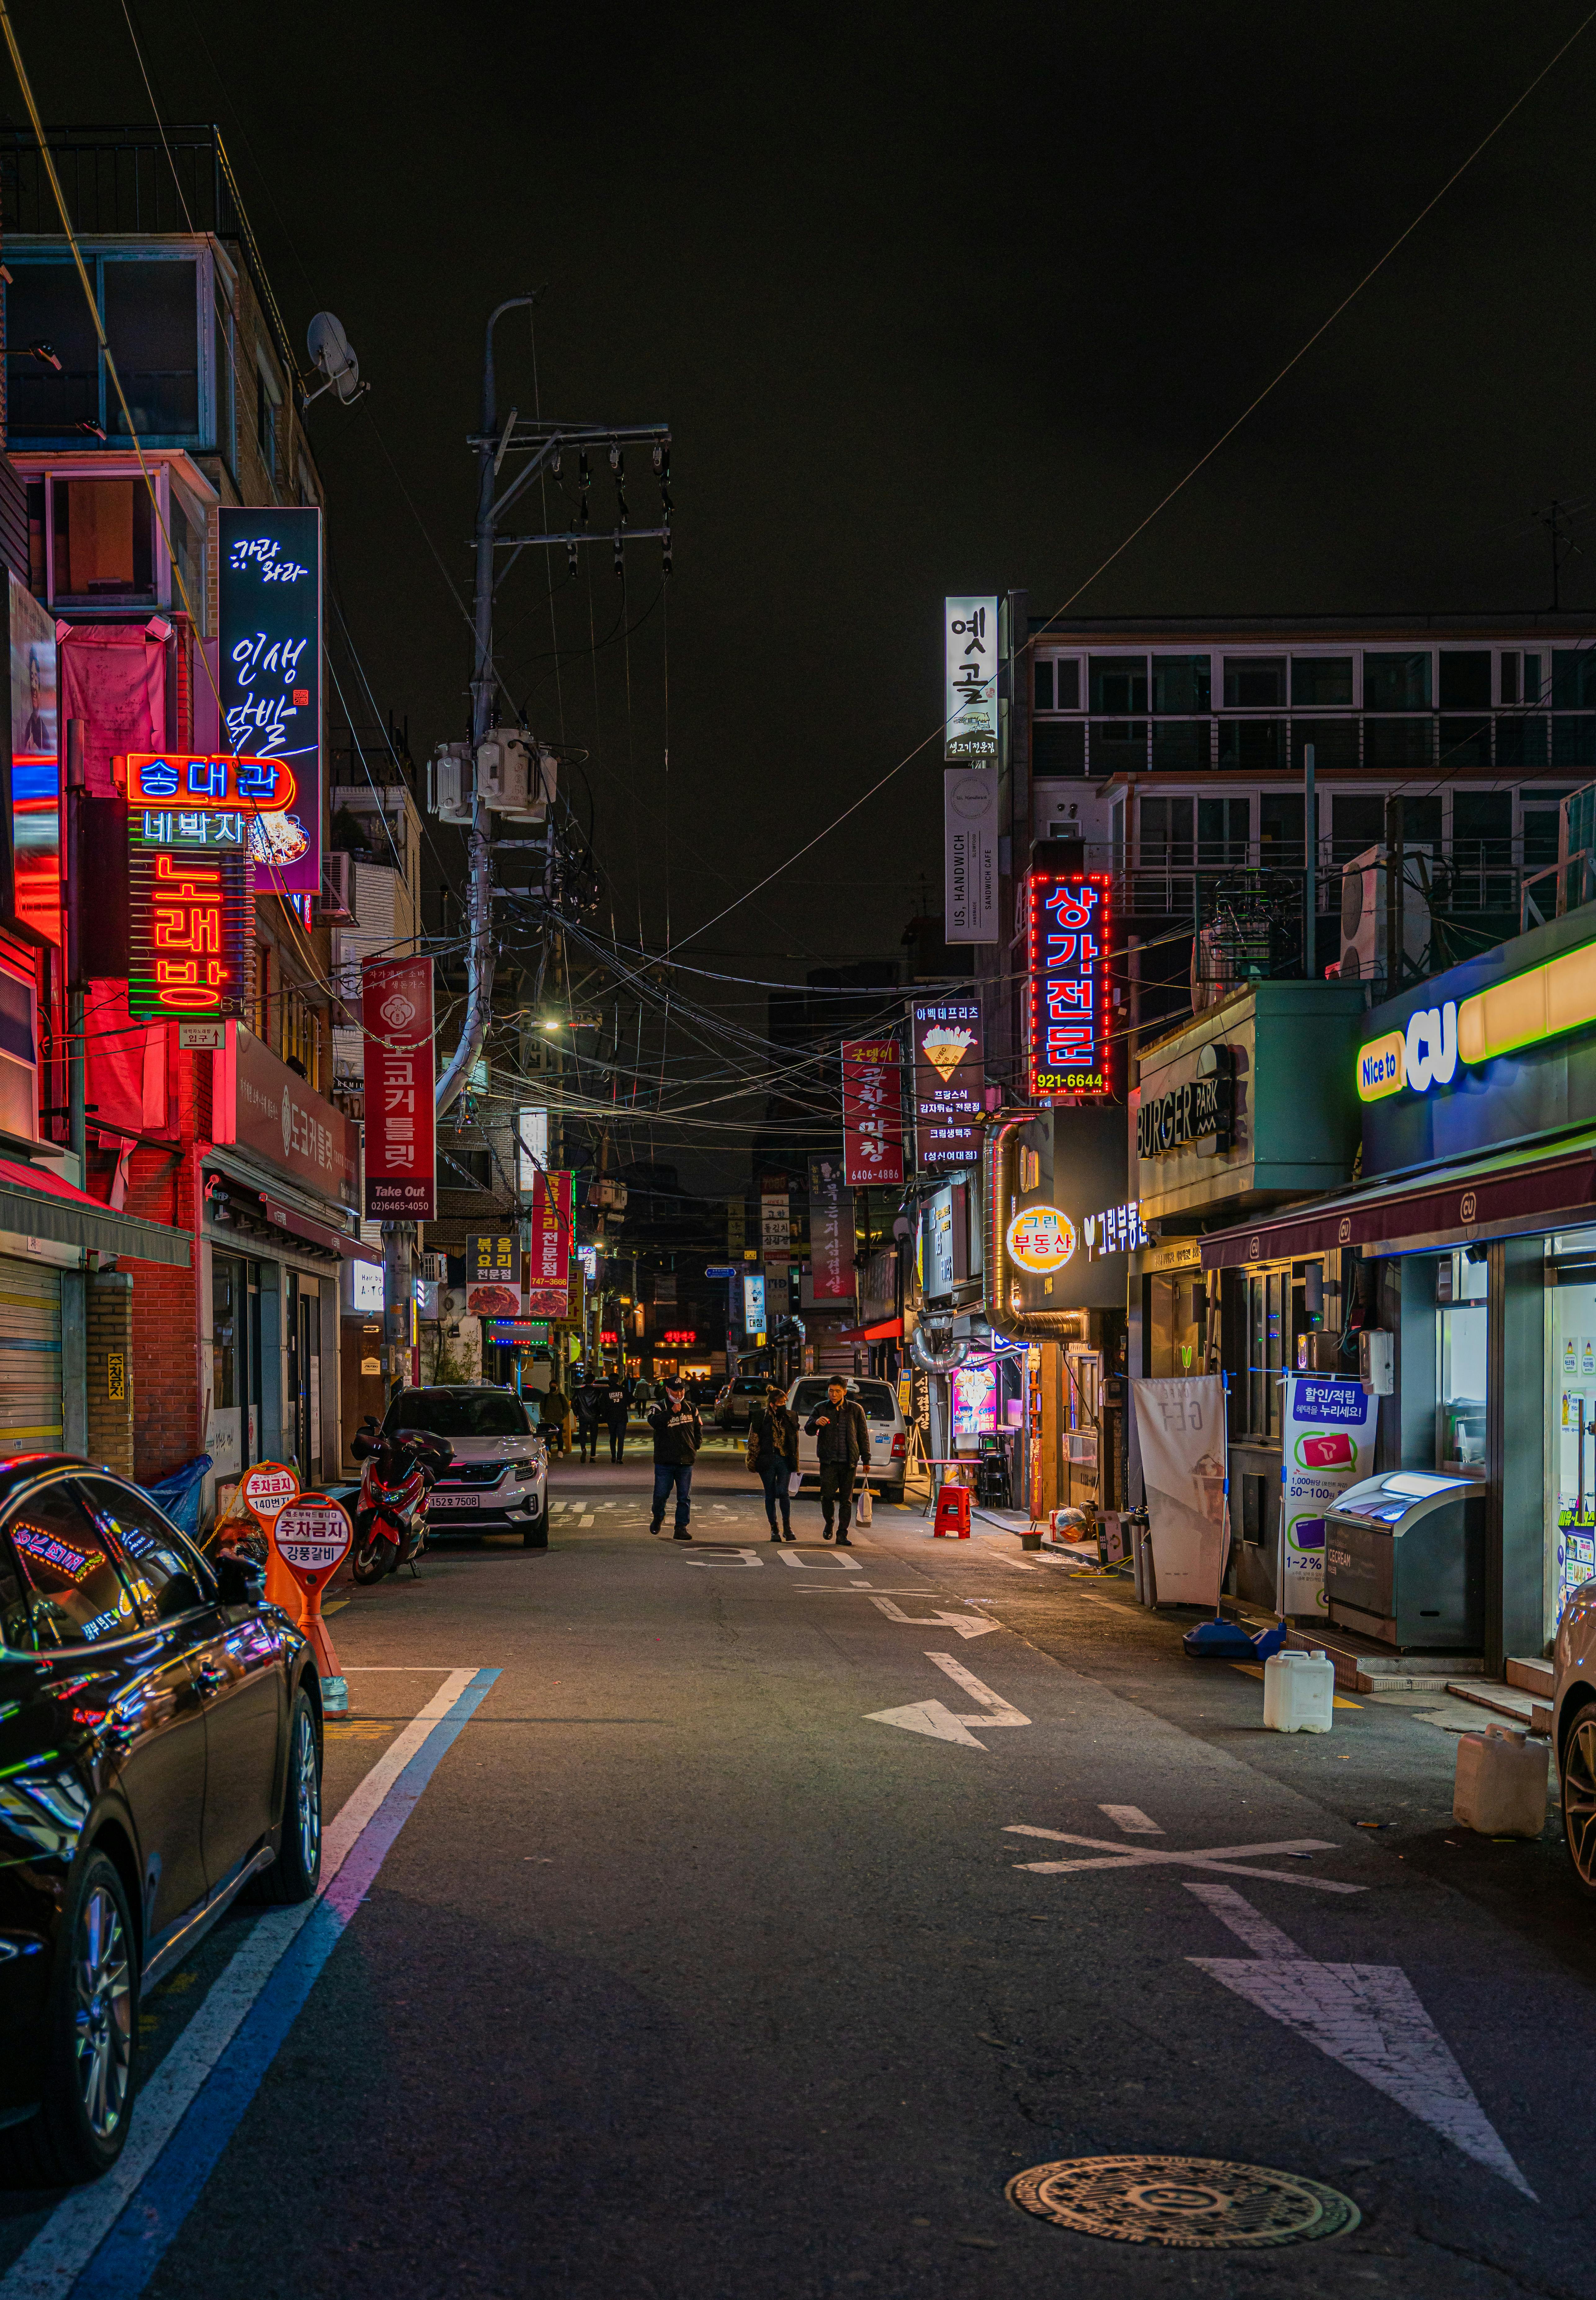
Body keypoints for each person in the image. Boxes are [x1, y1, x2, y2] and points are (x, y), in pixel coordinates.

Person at [804, 1376, 871, 1545]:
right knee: (827, 1496)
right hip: (828, 1461)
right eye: (831, 1391)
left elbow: (863, 1435)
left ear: (845, 1392)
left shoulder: (856, 1410)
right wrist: (816, 1423)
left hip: (849, 1462)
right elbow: (809, 1430)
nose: (833, 1394)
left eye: (837, 1391)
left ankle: (842, 1534)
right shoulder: (820, 1408)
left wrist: (866, 1459)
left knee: (846, 1500)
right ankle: (829, 1522)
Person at [648, 1376, 702, 1539]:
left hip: (686, 1460)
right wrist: (671, 1412)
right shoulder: (658, 1407)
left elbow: (698, 1428)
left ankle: (681, 1527)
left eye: (682, 1390)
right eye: (676, 1390)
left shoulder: (691, 1408)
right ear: (668, 1390)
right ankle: (658, 1517)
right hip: (665, 1461)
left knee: (684, 1496)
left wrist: (696, 1445)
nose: (679, 1394)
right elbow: (654, 1422)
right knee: (661, 1494)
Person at [750, 1381, 799, 1542]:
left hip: (785, 1459)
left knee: (784, 1493)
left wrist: (795, 1462)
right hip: (767, 1460)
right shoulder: (761, 1417)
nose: (784, 1406)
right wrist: (753, 1461)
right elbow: (754, 1440)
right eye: (780, 1404)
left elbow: (795, 1441)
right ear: (772, 1405)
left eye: (785, 1403)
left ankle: (788, 1527)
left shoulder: (791, 1416)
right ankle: (774, 1529)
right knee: (770, 1495)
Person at [573, 1370, 603, 1464]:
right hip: (594, 1417)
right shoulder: (597, 1392)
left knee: (583, 1435)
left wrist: (577, 1413)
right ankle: (592, 1456)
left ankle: (583, 1449)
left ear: (585, 1381)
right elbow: (600, 1404)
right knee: (594, 1437)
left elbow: (574, 1403)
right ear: (594, 1381)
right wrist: (599, 1414)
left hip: (583, 1416)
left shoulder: (579, 1391)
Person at [603, 1370, 631, 1463]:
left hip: (611, 1417)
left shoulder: (607, 1391)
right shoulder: (623, 1390)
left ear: (609, 1380)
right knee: (621, 1438)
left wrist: (605, 1415)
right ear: (618, 1380)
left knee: (613, 1437)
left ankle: (613, 1456)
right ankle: (619, 1458)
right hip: (622, 1417)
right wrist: (624, 1403)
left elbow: (602, 1404)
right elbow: (633, 1399)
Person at [542, 1376, 570, 1457]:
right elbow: (542, 1407)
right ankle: (548, 1452)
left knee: (559, 1437)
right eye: (552, 1386)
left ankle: (560, 1452)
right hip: (549, 1421)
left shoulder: (562, 1397)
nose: (553, 1388)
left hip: (559, 1421)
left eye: (555, 1386)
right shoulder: (546, 1397)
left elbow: (567, 1408)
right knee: (549, 1438)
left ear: (557, 1387)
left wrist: (563, 1416)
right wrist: (545, 1415)